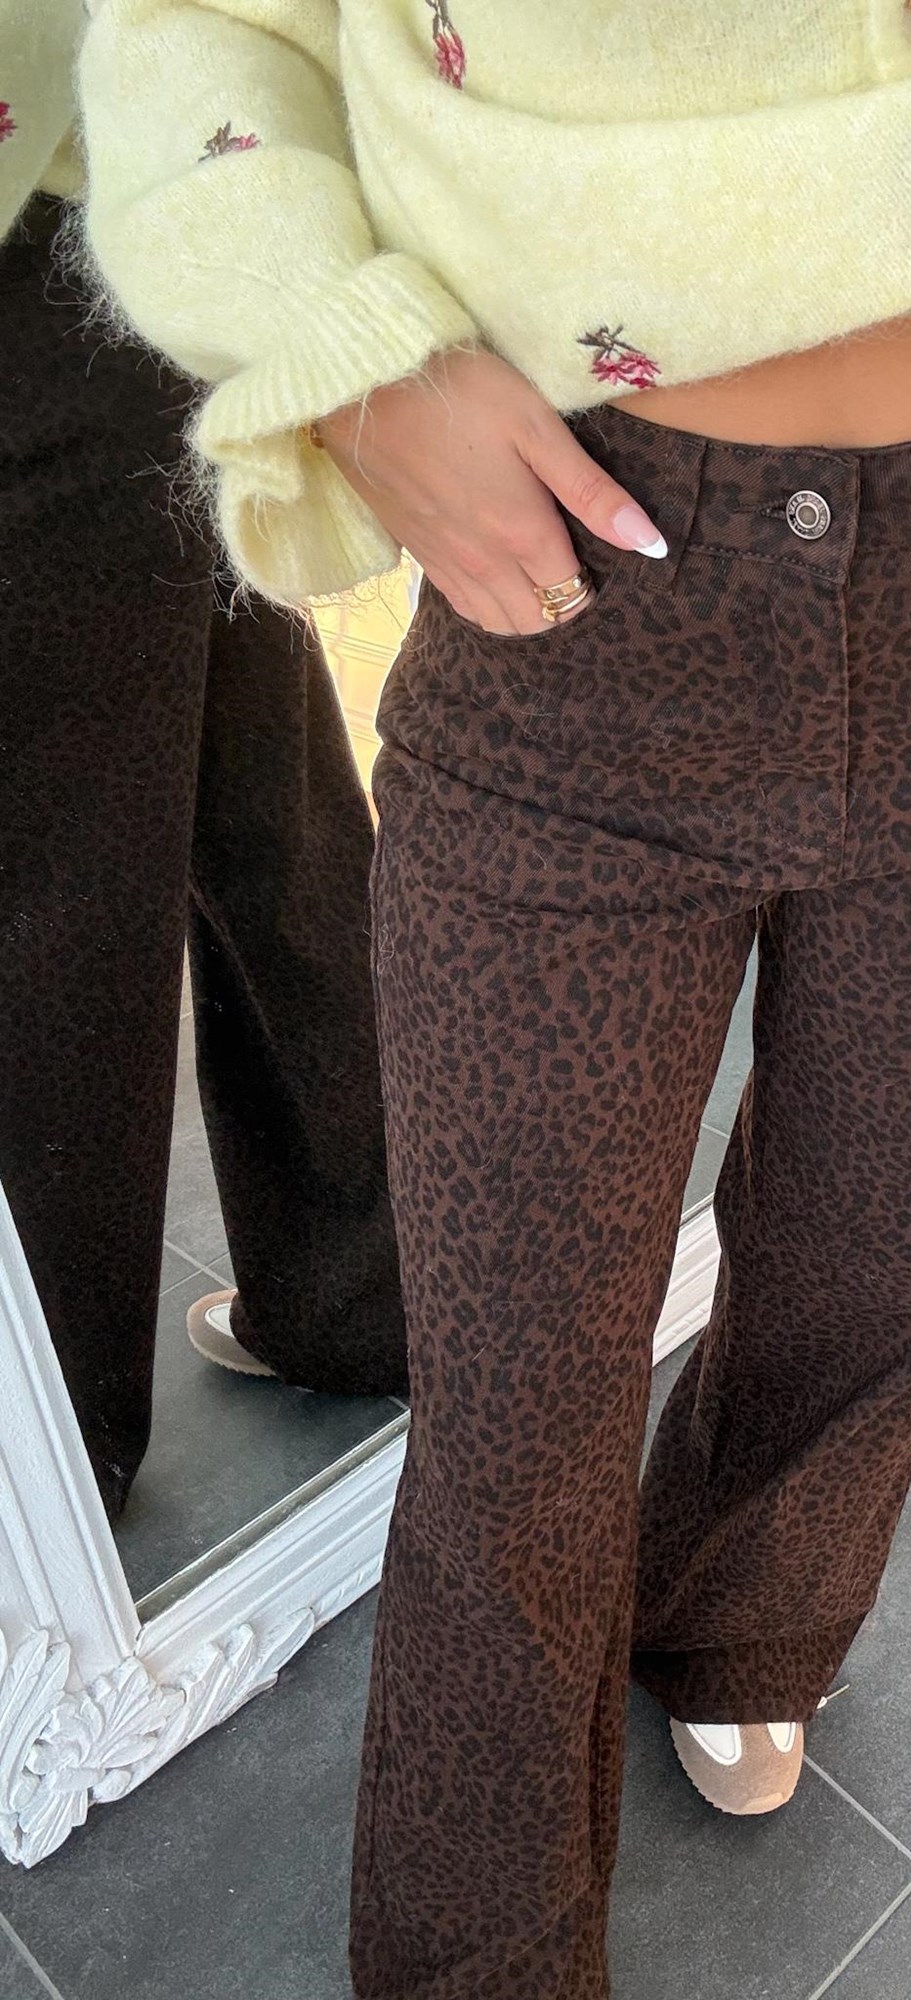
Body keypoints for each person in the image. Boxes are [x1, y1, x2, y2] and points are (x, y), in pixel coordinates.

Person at [74, 0, 911, 1990]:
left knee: (896, 1254)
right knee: (517, 1389)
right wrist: (350, 360)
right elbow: (194, 26)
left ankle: (739, 1611)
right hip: (576, 577)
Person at [0, 10, 409, 1523]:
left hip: (60, 227)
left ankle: (61, 1453)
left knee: (60, 909)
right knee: (256, 785)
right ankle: (374, 1288)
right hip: (129, 173)